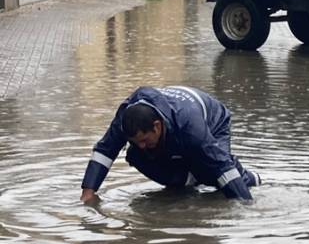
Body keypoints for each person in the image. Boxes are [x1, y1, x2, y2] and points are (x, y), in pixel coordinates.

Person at [80, 86, 260, 204]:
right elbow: (104, 152)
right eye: (136, 142)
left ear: (157, 127)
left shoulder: (191, 127)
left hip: (213, 122)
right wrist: (88, 193)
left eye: (144, 140)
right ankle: (189, 180)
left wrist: (245, 205)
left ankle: (249, 178)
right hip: (175, 127)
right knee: (136, 156)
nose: (141, 145)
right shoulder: (125, 118)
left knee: (213, 174)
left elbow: (221, 167)